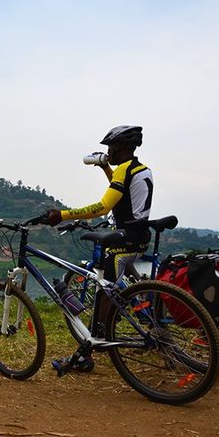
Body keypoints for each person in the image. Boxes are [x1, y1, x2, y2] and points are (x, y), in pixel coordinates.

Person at [46, 125, 153, 372]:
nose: (107, 151)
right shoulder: (139, 169)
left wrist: (62, 215)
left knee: (105, 293)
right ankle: (117, 329)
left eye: (110, 147)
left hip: (125, 243)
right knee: (114, 288)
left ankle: (91, 348)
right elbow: (121, 193)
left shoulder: (126, 170)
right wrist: (105, 167)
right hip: (139, 238)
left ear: (122, 148)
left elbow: (103, 207)